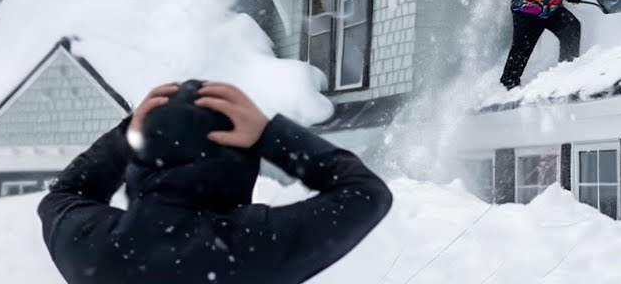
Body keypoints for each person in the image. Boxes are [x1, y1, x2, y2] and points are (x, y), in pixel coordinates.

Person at [37, 79, 393, 284]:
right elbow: (366, 193)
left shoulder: (93, 247)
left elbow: (65, 194)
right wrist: (271, 135)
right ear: (237, 162)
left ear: (141, 158)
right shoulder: (249, 246)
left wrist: (124, 137)